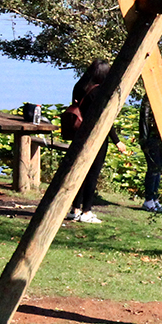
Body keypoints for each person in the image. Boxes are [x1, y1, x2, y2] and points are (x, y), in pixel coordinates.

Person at [67, 60, 113, 224]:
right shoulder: (99, 92)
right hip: (96, 137)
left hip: (78, 134)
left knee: (78, 171)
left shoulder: (79, 87)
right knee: (92, 174)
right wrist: (117, 141)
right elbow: (105, 118)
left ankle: (75, 209)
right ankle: (87, 211)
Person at [138, 98, 162, 213]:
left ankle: (154, 198)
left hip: (161, 138)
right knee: (153, 168)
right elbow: (144, 119)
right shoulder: (149, 98)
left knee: (158, 169)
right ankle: (148, 199)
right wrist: (144, 139)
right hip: (151, 138)